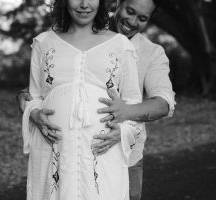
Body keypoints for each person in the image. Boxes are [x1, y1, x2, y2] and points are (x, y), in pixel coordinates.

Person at [18, 0, 176, 199]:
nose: (132, 21)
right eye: (130, 11)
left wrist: (126, 113)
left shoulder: (149, 52)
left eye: (142, 18)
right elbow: (42, 91)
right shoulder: (64, 33)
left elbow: (163, 103)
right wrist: (31, 108)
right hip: (61, 155)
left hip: (122, 155)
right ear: (117, 4)